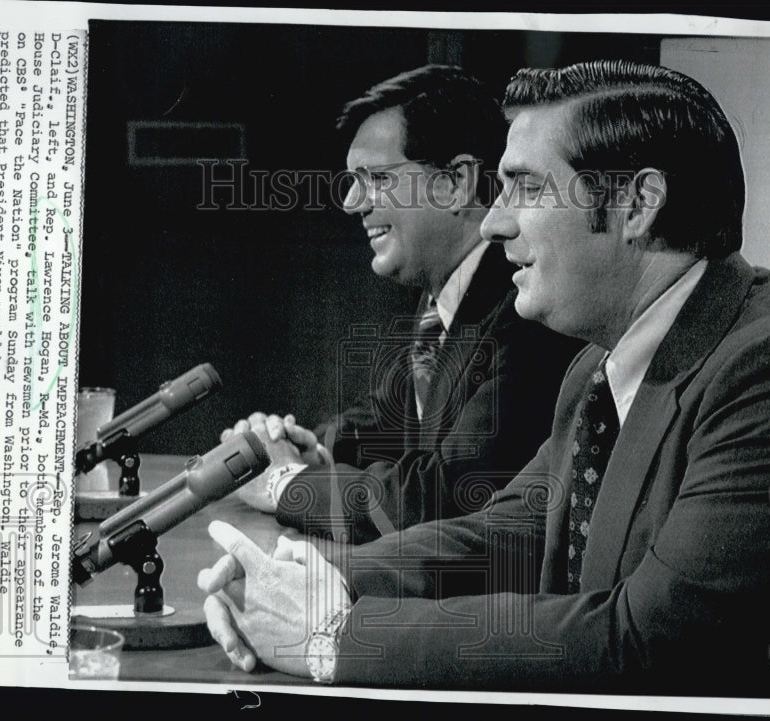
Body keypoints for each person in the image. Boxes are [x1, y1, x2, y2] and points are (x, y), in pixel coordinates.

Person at [200, 60, 770, 698]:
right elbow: (510, 533)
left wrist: (334, 637)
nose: (496, 222)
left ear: (636, 204)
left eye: (525, 187)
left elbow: (645, 642)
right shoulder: (598, 364)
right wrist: (315, 577)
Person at [222, 65, 582, 543]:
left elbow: (443, 497)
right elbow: (386, 423)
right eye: (351, 180)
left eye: (373, 178)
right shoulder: (443, 300)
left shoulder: (526, 311)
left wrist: (287, 481)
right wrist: (307, 450)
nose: (352, 202)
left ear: (455, 183)